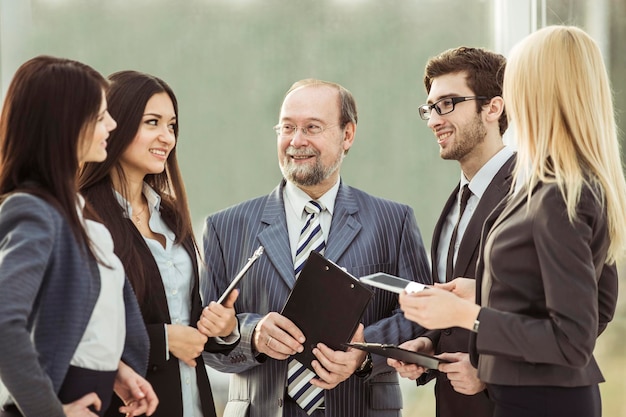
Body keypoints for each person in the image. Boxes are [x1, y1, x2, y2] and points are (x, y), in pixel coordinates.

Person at [398, 25, 625, 417]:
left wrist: (466, 315)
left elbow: (573, 338)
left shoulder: (562, 192)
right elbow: (591, 300)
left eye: (519, 79)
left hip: (543, 403)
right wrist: (482, 293)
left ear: (540, 89)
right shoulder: (547, 184)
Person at [200, 78, 431, 417]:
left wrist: (364, 352)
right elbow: (204, 341)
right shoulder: (225, 227)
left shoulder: (393, 221)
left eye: (312, 127)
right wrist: (252, 334)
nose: (296, 141)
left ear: (347, 135)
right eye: (287, 127)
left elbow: (422, 319)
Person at [0, 56, 158, 417]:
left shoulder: (74, 210)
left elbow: (79, 318)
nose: (113, 125)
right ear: (67, 124)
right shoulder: (33, 210)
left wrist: (116, 370)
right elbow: (4, 323)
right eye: (102, 116)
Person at [79, 70, 240, 417]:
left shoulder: (169, 214)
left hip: (193, 404)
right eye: (152, 122)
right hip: (125, 406)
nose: (166, 137)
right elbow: (75, 330)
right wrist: (162, 342)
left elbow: (184, 315)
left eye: (172, 126)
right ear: (113, 124)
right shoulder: (83, 216)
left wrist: (224, 327)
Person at [387, 46, 512, 417]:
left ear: (493, 108)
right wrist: (427, 344)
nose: (433, 120)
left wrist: (492, 371)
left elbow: (581, 317)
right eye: (430, 108)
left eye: (448, 103)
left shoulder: (534, 191)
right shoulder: (453, 205)